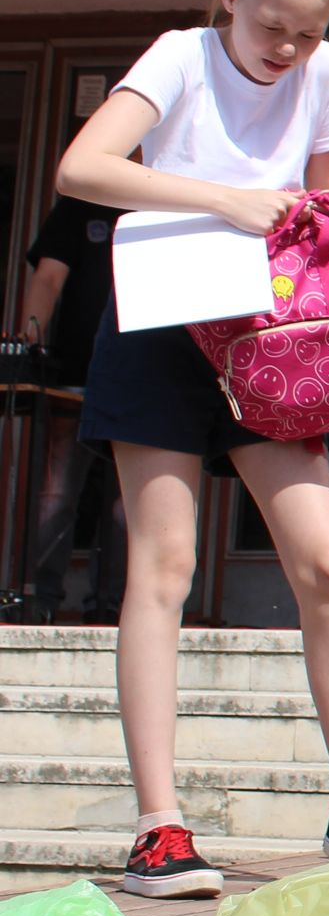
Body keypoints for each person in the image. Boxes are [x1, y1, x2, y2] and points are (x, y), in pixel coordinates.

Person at [55, 0, 329, 897]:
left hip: (271, 332)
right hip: (163, 317)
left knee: (326, 565)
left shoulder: (327, 70)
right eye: (271, 26)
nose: (287, 49)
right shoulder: (180, 57)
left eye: (307, 31)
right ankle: (159, 828)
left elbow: (325, 196)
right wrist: (223, 199)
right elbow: (83, 168)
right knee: (163, 566)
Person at [17, 195, 127, 624]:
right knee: (58, 491)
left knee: (127, 503)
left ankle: (112, 604)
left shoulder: (169, 203)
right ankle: (40, 600)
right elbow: (48, 278)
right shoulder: (81, 204)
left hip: (142, 376)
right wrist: (29, 350)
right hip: (76, 372)